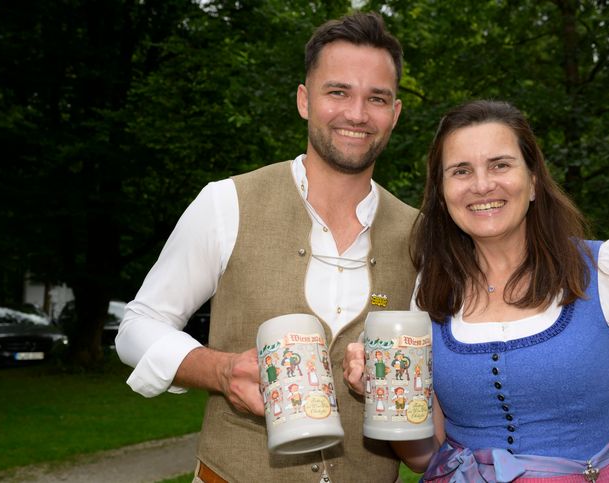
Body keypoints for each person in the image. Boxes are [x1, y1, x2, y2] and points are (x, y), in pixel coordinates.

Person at [116, 12, 417, 483]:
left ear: (394, 114)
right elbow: (138, 325)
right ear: (304, 100)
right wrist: (219, 371)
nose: (357, 113)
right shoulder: (226, 202)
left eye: (376, 98)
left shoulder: (422, 237)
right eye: (337, 92)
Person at [343, 100, 609, 481]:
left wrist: (586, 467)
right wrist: (384, 397)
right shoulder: (431, 292)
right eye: (461, 171)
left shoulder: (605, 268)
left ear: (533, 181)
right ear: (443, 196)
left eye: (500, 165)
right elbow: (424, 456)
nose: (481, 185)